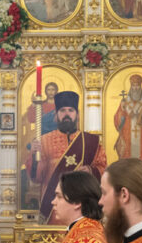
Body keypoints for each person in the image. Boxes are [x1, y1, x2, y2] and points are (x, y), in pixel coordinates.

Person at [28, 90, 107, 224]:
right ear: (56, 115)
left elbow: (103, 168)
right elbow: (36, 178)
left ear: (77, 114)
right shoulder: (44, 141)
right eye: (62, 110)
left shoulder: (90, 141)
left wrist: (90, 170)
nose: (66, 114)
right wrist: (35, 158)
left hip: (82, 207)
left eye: (71, 110)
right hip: (53, 209)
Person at [112, 73, 142, 160]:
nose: (135, 88)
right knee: (127, 163)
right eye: (133, 85)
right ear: (131, 86)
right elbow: (117, 120)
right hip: (127, 136)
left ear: (140, 86)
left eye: (137, 86)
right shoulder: (125, 101)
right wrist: (122, 109)